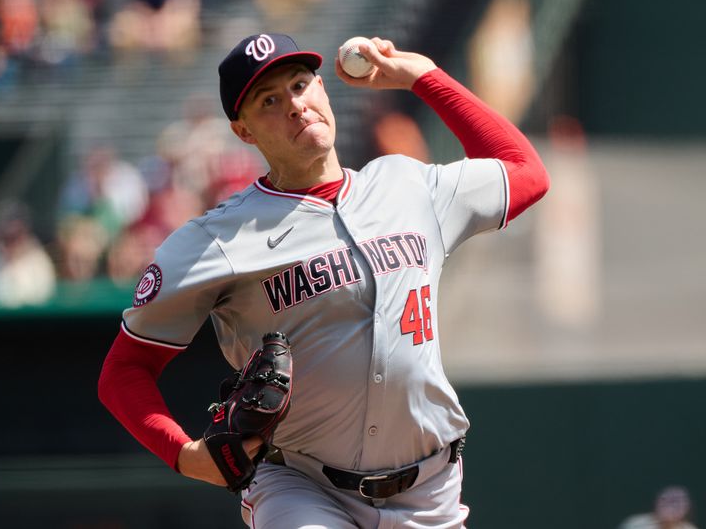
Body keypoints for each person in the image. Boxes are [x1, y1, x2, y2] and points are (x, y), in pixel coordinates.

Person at [98, 33, 549, 528]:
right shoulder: (215, 240)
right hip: (301, 486)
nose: (295, 105)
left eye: (300, 84)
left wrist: (424, 77)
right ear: (243, 131)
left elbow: (526, 172)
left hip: (431, 494)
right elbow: (125, 370)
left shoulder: (409, 185)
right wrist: (184, 454)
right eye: (270, 100)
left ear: (324, 91)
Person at [619, 486, 698, 529]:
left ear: (687, 508)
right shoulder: (635, 524)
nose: (671, 507)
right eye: (666, 500)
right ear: (656, 502)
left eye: (677, 502)